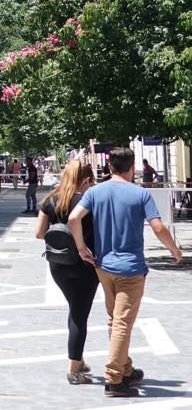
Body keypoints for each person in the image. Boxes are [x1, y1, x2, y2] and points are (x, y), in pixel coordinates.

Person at [69, 147, 183, 396]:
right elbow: (158, 227)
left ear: (109, 167)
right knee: (122, 323)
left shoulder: (95, 192)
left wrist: (81, 248)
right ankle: (114, 378)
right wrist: (175, 250)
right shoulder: (139, 194)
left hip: (104, 267)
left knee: (114, 319)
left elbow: (73, 219)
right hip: (130, 269)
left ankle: (126, 367)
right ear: (132, 168)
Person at [36, 159, 100, 385]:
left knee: (75, 310)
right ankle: (74, 369)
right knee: (79, 316)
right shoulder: (88, 201)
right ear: (85, 179)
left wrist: (61, 236)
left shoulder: (50, 200)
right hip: (85, 265)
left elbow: (39, 233)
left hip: (58, 265)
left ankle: (79, 359)